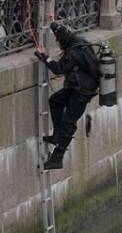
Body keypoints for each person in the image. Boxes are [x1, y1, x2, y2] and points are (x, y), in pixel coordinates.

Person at [35, 22, 100, 170]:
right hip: (77, 87)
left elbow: (58, 69)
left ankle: (57, 158)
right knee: (55, 101)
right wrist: (52, 22)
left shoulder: (74, 53)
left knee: (69, 123)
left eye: (58, 40)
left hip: (83, 92)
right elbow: (59, 30)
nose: (57, 42)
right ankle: (57, 135)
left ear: (64, 39)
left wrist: (44, 56)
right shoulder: (78, 41)